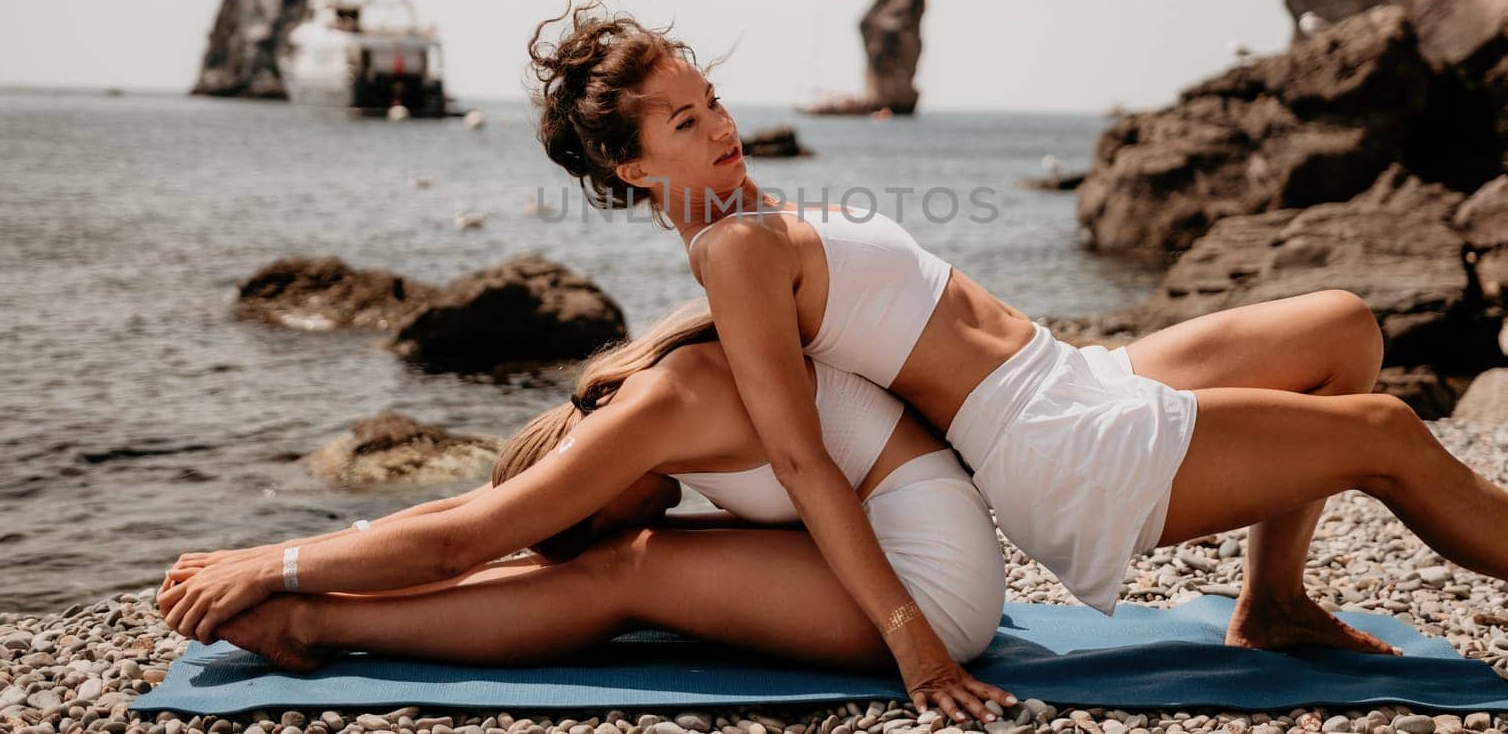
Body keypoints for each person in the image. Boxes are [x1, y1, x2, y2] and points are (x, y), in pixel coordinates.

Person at [522, 0, 1508, 693]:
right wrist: (909, 639)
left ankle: (1274, 602)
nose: (720, 125)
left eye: (711, 100)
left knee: (1343, 322)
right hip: (1055, 444)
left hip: (1068, 374)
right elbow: (799, 455)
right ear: (628, 162)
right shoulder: (734, 253)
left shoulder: (749, 213)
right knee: (1382, 431)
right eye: (683, 121)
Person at [158, 300, 1014, 722]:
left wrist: (280, 571)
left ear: (580, 469)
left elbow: (462, 541)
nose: (634, 511)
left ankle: (311, 626)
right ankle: (313, 613)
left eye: (592, 511)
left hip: (930, 582)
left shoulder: (654, 407)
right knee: (612, 557)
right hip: (902, 534)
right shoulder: (629, 392)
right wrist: (280, 545)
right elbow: (483, 507)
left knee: (625, 570)